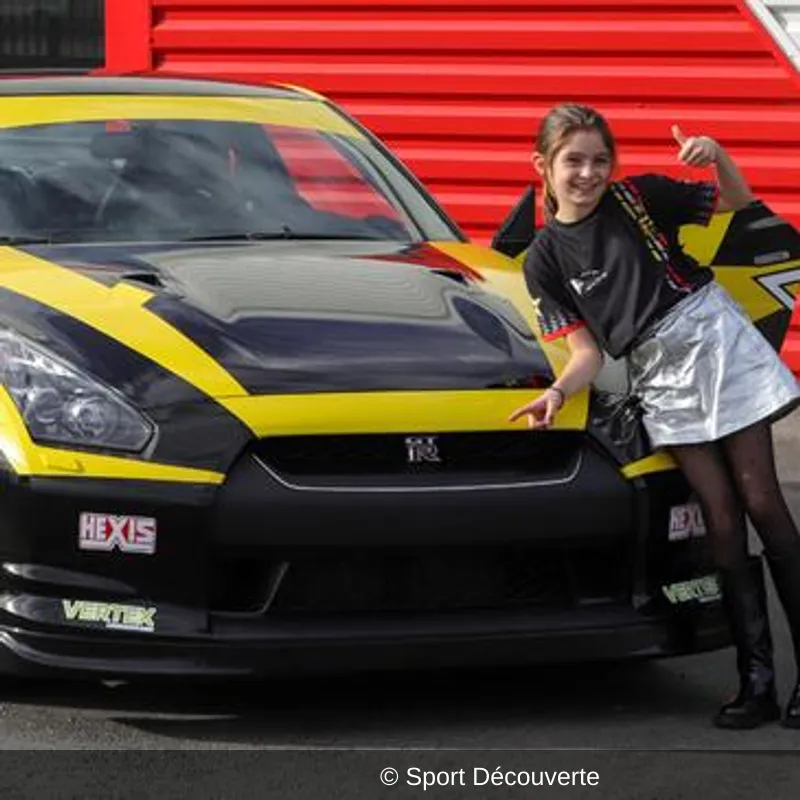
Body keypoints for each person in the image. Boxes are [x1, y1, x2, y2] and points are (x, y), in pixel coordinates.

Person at [508, 103, 800, 730]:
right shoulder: (543, 260)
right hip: (659, 375)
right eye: (573, 161)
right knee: (720, 518)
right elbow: (586, 352)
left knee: (763, 503)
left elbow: (736, 208)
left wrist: (717, 155)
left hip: (715, 341)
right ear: (544, 166)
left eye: (598, 160)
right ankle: (758, 683)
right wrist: (558, 391)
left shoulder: (640, 196)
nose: (588, 173)